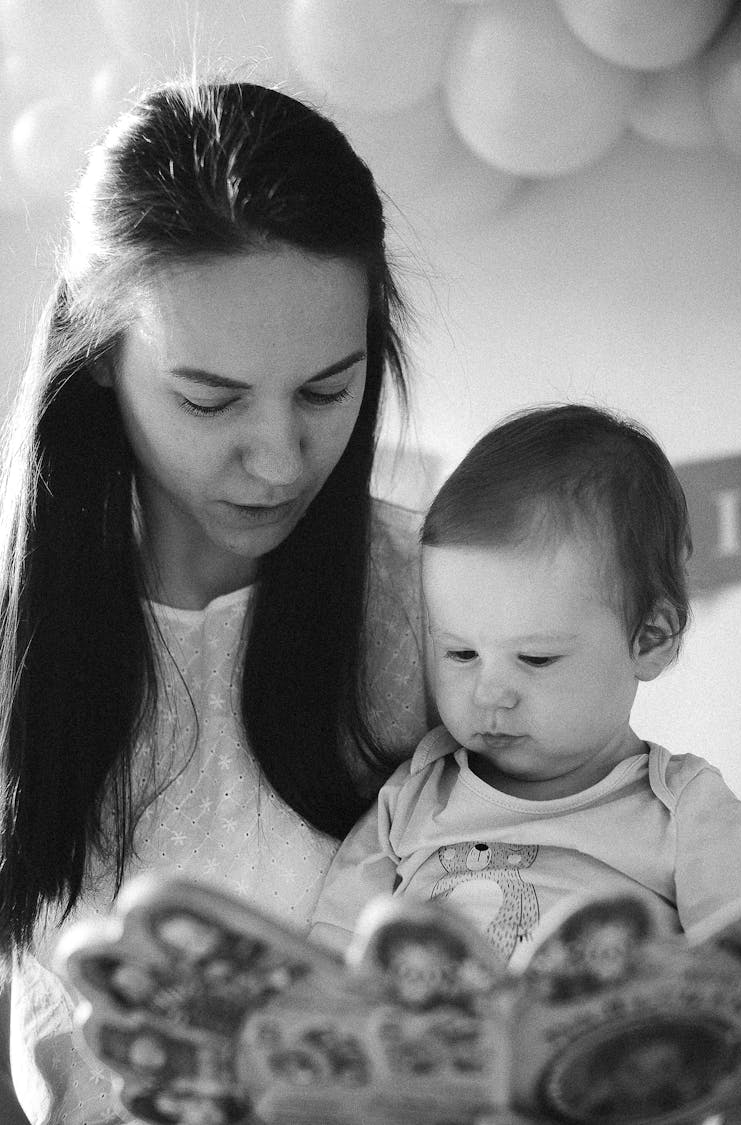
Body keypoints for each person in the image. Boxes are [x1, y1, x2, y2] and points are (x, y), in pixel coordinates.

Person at [0, 79, 432, 1124]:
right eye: (211, 399)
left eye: (330, 389)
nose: (281, 460)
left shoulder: (434, 599)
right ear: (98, 354)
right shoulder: (17, 638)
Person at [311, 403, 741, 965]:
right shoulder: (414, 793)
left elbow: (732, 971)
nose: (490, 693)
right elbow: (330, 952)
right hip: (433, 1044)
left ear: (648, 639)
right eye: (460, 652)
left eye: (536, 658)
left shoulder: (683, 808)